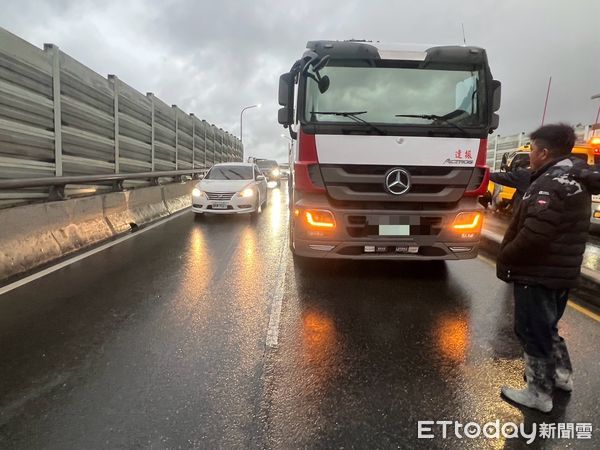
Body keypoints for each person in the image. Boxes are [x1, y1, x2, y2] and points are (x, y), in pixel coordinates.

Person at [497, 124, 595, 413]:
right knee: (548, 326)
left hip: (538, 272)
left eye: (532, 151)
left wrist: (507, 255)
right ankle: (562, 376)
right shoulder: (572, 179)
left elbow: (535, 234)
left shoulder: (550, 183)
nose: (530, 157)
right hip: (560, 270)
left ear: (544, 151)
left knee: (533, 330)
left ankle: (539, 393)